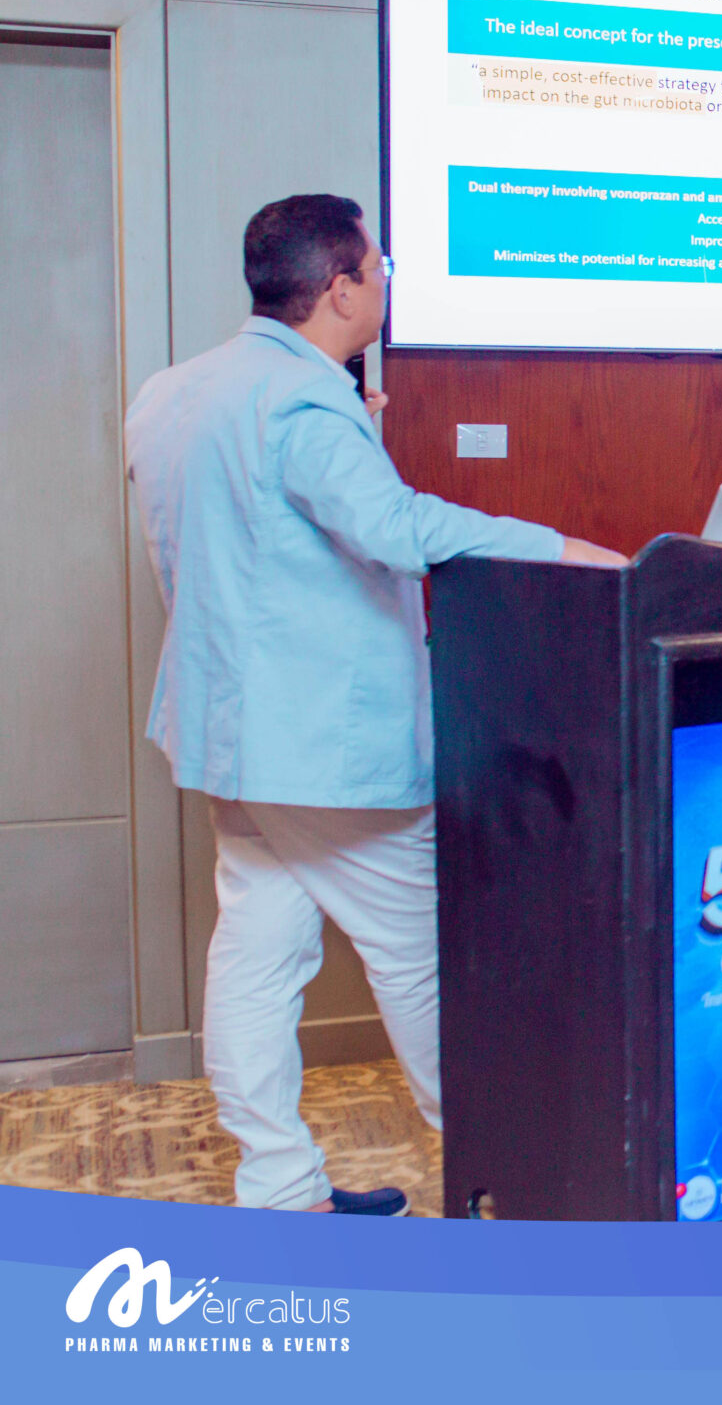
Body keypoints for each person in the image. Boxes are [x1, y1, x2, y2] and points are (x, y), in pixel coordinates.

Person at [126, 194, 625, 1215]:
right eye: (379, 266)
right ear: (341, 287)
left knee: (258, 955)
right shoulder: (304, 406)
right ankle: (507, 1188)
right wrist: (562, 549)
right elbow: (396, 528)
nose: (387, 281)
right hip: (328, 753)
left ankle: (281, 1188)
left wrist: (354, 432)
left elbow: (238, 542)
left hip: (230, 736)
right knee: (427, 965)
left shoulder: (173, 392)